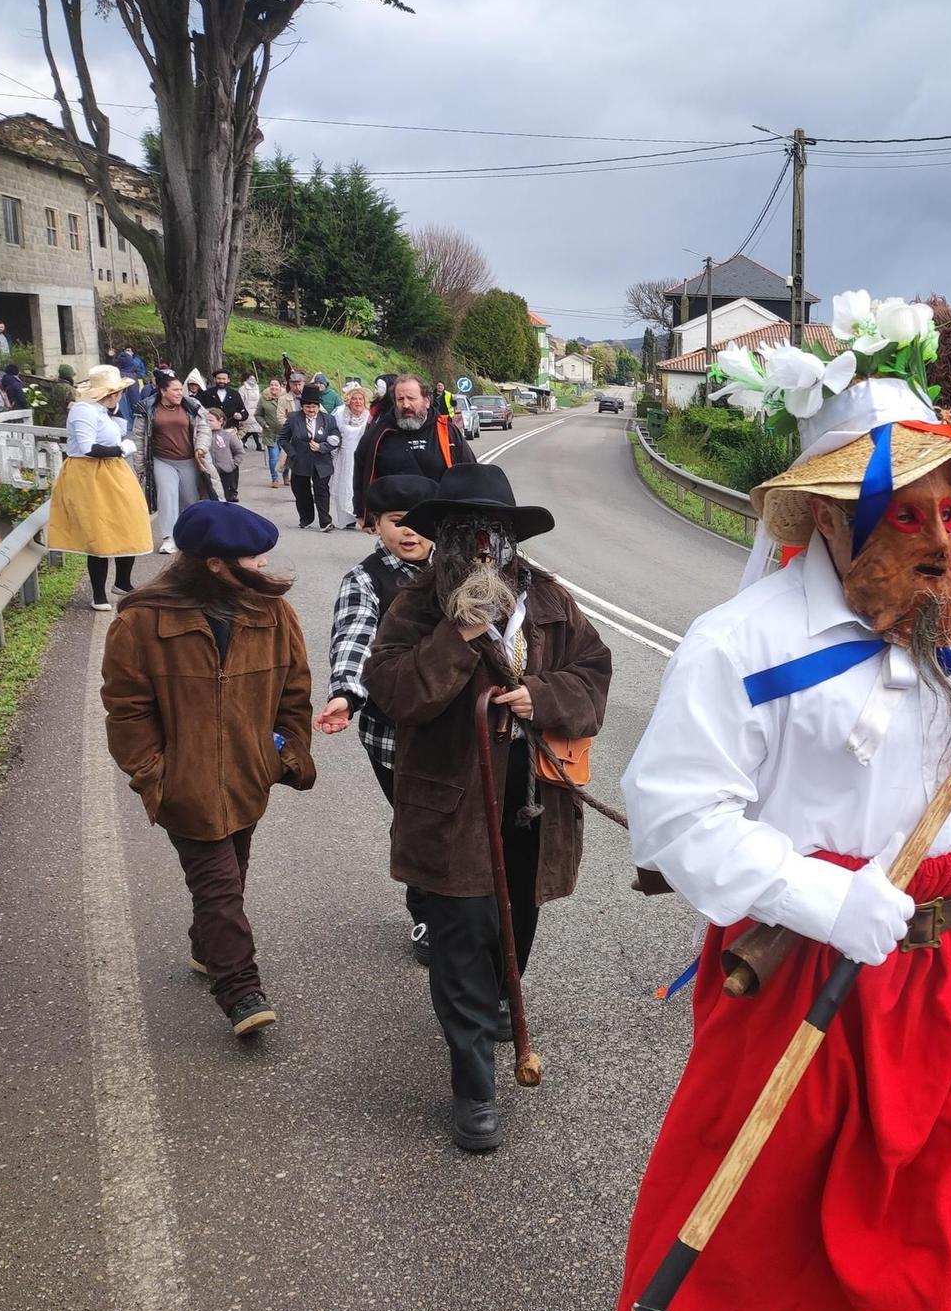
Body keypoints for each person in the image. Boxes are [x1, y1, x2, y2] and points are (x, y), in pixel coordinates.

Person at [614, 348, 951, 1311]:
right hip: (799, 963)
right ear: (826, 519)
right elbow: (676, 813)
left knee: (944, 1192)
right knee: (766, 1184)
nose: (934, 539)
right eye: (902, 517)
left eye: (946, 510)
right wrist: (823, 898)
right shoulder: (737, 645)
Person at [364, 465, 611, 1152]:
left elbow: (594, 673)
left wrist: (542, 695)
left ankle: (506, 990)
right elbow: (393, 689)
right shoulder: (417, 607)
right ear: (442, 539)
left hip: (533, 804)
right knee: (462, 933)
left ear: (508, 540)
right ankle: (474, 1086)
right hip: (449, 808)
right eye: (463, 533)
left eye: (491, 533)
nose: (479, 548)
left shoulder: (553, 600)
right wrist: (459, 636)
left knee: (516, 921)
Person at [100, 501, 316, 1038]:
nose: (263, 567)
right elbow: (126, 708)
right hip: (185, 785)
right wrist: (156, 774)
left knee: (230, 875)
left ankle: (206, 946)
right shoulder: (141, 622)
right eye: (252, 559)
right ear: (215, 565)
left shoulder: (272, 614)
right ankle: (240, 988)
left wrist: (283, 754)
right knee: (218, 885)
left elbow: (295, 692)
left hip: (248, 777)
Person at [315, 474, 440, 962]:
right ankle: (426, 915)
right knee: (415, 822)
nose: (409, 533)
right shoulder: (365, 579)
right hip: (394, 735)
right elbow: (353, 639)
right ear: (375, 527)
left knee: (454, 821)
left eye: (419, 523)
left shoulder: (454, 570)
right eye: (396, 522)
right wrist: (346, 694)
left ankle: (461, 908)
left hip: (453, 730)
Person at [46, 364, 149, 612]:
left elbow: (115, 433)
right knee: (100, 534)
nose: (122, 396)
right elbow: (87, 448)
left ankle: (123, 582)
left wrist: (120, 445)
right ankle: (98, 594)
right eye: (119, 392)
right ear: (109, 392)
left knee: (129, 523)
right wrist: (122, 449)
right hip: (89, 473)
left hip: (115, 471)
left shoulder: (105, 410)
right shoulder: (84, 411)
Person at [132, 373, 220, 553]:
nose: (180, 393)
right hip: (162, 460)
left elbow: (204, 428)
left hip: (189, 459)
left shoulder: (192, 405)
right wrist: (140, 466)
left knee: (191, 500)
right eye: (175, 390)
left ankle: (191, 535)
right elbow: (139, 438)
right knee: (167, 495)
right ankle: (169, 538)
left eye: (181, 389)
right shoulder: (147, 409)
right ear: (163, 391)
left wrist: (201, 447)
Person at [352, 374, 476, 491]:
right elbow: (361, 472)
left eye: (411, 398)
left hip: (438, 511)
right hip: (393, 512)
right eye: (400, 399)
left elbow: (471, 474)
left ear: (427, 401)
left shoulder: (448, 432)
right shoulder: (378, 433)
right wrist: (361, 510)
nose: (405, 405)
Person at [279, 383, 340, 530]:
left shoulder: (328, 419)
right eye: (308, 407)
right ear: (302, 406)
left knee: (322, 491)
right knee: (301, 492)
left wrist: (322, 447)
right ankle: (306, 518)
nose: (311, 410)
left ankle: (325, 522)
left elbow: (336, 438)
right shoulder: (294, 418)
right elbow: (282, 438)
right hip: (300, 461)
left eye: (314, 407)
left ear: (319, 407)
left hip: (321, 462)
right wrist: (293, 454)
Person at [331, 380, 370, 529]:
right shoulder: (340, 414)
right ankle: (346, 520)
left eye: (360, 399)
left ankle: (362, 516)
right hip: (344, 456)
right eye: (354, 399)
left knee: (360, 486)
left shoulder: (368, 416)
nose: (357, 402)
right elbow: (333, 430)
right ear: (349, 400)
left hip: (362, 456)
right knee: (344, 486)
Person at [205, 406, 246, 503]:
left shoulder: (227, 436)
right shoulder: (202, 435)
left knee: (224, 497)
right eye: (206, 420)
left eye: (211, 420)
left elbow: (240, 451)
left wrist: (233, 464)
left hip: (225, 472)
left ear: (221, 421)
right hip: (208, 472)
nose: (207, 423)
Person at [203, 367, 248, 434]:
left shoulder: (235, 394)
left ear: (228, 380)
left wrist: (240, 416)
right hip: (211, 431)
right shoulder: (207, 393)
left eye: (224, 379)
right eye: (219, 378)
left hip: (231, 430)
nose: (221, 381)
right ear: (215, 379)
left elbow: (244, 412)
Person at [239, 371, 263, 449]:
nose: (253, 380)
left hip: (256, 410)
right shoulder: (242, 389)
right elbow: (241, 400)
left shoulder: (256, 387)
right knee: (251, 428)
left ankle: (243, 440)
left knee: (253, 428)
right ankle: (257, 445)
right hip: (247, 410)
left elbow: (259, 398)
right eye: (250, 378)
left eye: (254, 378)